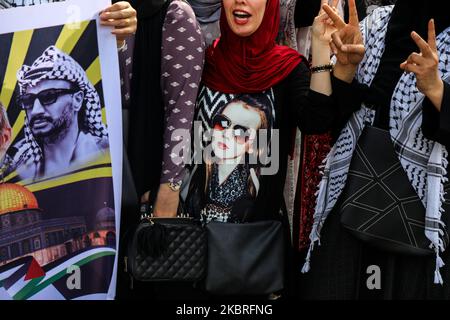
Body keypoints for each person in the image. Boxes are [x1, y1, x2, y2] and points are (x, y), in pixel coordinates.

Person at [180, 0, 354, 298]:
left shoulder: (287, 69)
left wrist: (322, 47)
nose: (242, 1)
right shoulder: (204, 60)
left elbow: (317, 121)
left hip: (254, 251)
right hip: (191, 244)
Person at [300, 0, 450, 299]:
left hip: (420, 216)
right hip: (353, 199)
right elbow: (326, 121)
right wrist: (344, 67)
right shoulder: (372, 24)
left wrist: (436, 89)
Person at [13, 46, 109, 180]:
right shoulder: (18, 170)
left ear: (77, 100)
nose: (35, 110)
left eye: (48, 96)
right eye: (28, 100)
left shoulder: (107, 153)